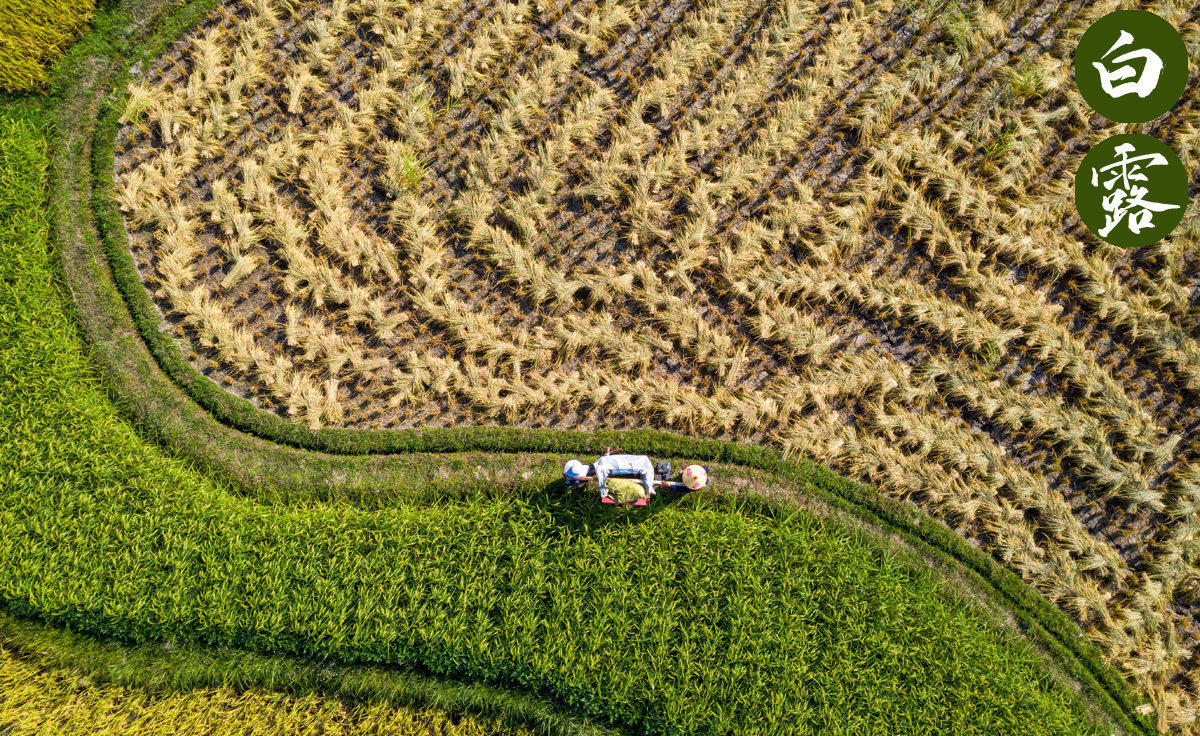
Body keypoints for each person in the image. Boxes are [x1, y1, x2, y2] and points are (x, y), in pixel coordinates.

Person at [563, 454, 656, 504]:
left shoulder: (584, 472)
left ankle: (572, 480)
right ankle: (573, 480)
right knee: (595, 469)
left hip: (602, 466)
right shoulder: (581, 475)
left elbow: (602, 482)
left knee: (595, 468)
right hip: (602, 466)